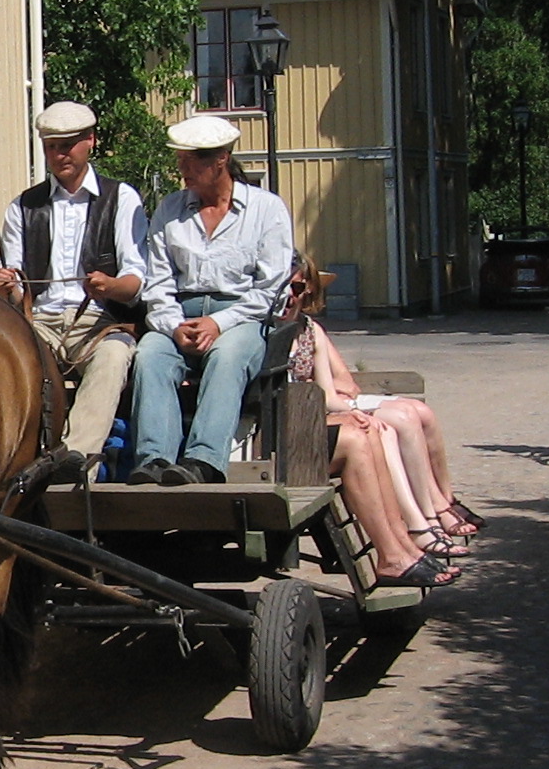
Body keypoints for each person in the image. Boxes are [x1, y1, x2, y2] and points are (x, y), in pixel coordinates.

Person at [286, 257, 474, 585]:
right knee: (362, 438)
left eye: (298, 288)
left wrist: (349, 411)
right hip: (280, 432)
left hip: (303, 418)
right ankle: (399, 548)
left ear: (308, 290)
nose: (290, 296)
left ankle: (404, 541)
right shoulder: (260, 331)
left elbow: (329, 391)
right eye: (281, 288)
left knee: (372, 429)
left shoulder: (308, 330)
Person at [129, 114, 294, 485]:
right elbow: (158, 282)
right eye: (180, 159)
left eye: (191, 159)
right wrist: (173, 325)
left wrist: (219, 323)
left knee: (228, 356)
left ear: (220, 159)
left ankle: (203, 460)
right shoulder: (171, 210)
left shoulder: (266, 209)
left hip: (240, 315)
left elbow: (271, 287)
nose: (182, 168)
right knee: (149, 355)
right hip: (180, 312)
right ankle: (153, 458)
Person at [0, 99, 146, 466]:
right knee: (4, 357)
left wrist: (110, 286)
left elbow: (137, 281)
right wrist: (8, 284)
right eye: (51, 147)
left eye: (68, 145)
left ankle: (76, 458)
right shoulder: (23, 207)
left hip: (98, 323)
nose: (60, 155)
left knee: (113, 355)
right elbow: (17, 288)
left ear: (90, 141)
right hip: (39, 323)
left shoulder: (121, 199)